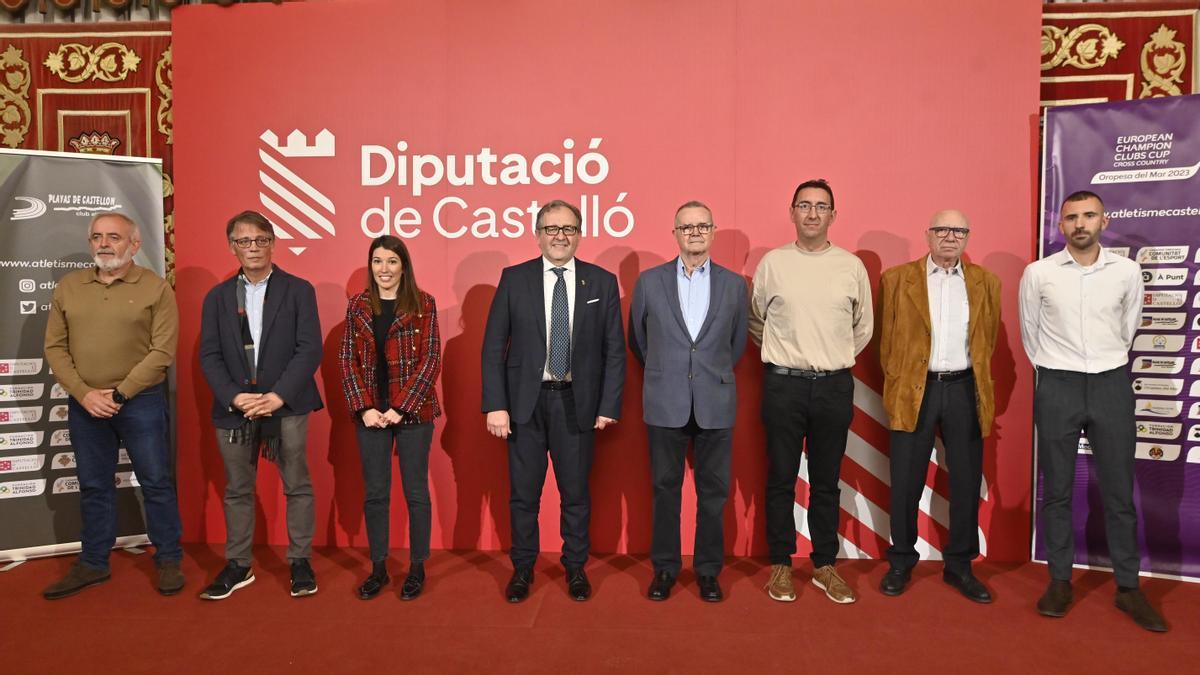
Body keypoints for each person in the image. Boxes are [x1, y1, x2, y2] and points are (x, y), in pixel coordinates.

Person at [1019, 190, 1167, 632]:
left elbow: (1129, 327)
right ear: (1060, 225)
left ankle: (1128, 587)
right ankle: (1060, 581)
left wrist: (1102, 367)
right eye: (1071, 218)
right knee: (1058, 490)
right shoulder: (1039, 273)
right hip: (1058, 384)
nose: (1079, 224)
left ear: (1104, 220)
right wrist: (1057, 372)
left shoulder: (1126, 271)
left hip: (1110, 382)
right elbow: (1031, 333)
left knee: (1120, 492)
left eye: (1088, 216)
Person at [481, 199, 625, 603]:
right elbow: (494, 347)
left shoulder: (601, 282)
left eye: (568, 229)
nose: (560, 236)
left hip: (576, 404)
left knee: (575, 494)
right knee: (523, 495)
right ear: (538, 234)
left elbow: (615, 349)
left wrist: (608, 405)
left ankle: (575, 568)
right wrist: (496, 404)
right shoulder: (514, 278)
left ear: (579, 234)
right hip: (524, 406)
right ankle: (523, 569)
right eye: (551, 229)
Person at [42, 212, 184, 599]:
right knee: (93, 485)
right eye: (97, 237)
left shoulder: (156, 288)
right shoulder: (69, 287)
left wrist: (120, 394)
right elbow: (55, 346)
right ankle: (93, 562)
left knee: (155, 482)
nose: (104, 244)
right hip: (85, 404)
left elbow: (162, 352)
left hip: (141, 402)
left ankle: (169, 558)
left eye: (114, 237)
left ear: (134, 244)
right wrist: (84, 393)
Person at [749, 178, 872, 604]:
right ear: (793, 212)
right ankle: (781, 563)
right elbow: (755, 320)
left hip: (834, 386)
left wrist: (830, 355)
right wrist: (790, 356)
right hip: (783, 384)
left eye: (821, 206)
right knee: (781, 478)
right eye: (805, 205)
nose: (813, 213)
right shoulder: (773, 264)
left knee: (826, 481)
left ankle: (824, 565)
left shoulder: (850, 267)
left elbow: (863, 328)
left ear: (833, 215)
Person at [197, 210, 324, 600]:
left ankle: (300, 559)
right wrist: (236, 396)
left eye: (260, 240)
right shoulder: (217, 297)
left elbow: (309, 348)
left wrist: (277, 396)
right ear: (232, 246)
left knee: (297, 485)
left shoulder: (299, 289)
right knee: (237, 489)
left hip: (286, 404)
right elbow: (209, 354)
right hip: (235, 407)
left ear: (272, 242)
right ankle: (238, 564)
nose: (253, 248)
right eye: (244, 241)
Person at [628, 200, 748, 602]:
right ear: (675, 233)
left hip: (715, 401)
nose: (694, 233)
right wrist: (670, 373)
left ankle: (708, 571)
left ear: (713, 232)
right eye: (686, 227)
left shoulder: (734, 285)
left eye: (702, 226)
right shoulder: (649, 282)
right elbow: (639, 342)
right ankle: (664, 568)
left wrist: (707, 375)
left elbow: (736, 345)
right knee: (665, 489)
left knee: (714, 493)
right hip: (665, 401)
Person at [878, 209, 1000, 602]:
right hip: (915, 389)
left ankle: (960, 566)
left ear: (967, 237)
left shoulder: (986, 283)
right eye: (942, 229)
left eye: (959, 230)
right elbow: (886, 343)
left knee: (965, 481)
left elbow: (989, 342)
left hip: (965, 389)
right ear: (927, 235)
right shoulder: (896, 280)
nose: (950, 236)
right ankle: (900, 561)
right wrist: (900, 380)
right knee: (906, 481)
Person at [339, 235, 441, 600]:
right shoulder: (358, 306)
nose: (384, 269)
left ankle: (416, 567)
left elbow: (431, 362)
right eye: (377, 261)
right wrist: (364, 408)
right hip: (370, 413)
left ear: (404, 266)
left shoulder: (424, 304)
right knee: (376, 493)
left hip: (413, 412)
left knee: (416, 493)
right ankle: (379, 567)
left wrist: (401, 407)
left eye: (392, 262)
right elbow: (346, 361)